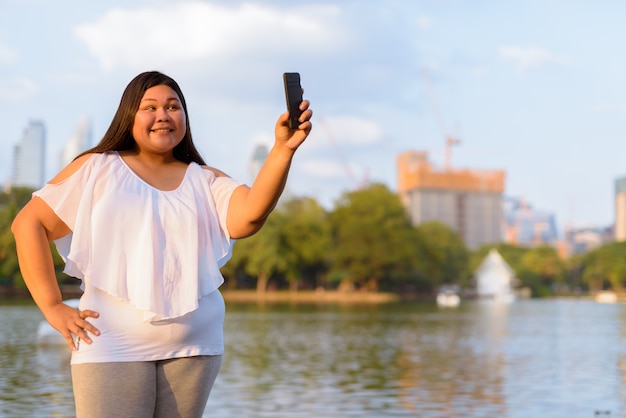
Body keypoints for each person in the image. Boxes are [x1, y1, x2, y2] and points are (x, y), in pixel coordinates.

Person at [11, 71, 313, 418]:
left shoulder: (205, 179)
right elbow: (28, 224)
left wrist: (283, 149)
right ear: (129, 116)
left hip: (194, 348)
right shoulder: (97, 169)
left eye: (173, 106)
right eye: (149, 107)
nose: (163, 116)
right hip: (112, 345)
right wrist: (52, 306)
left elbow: (250, 217)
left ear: (184, 116)